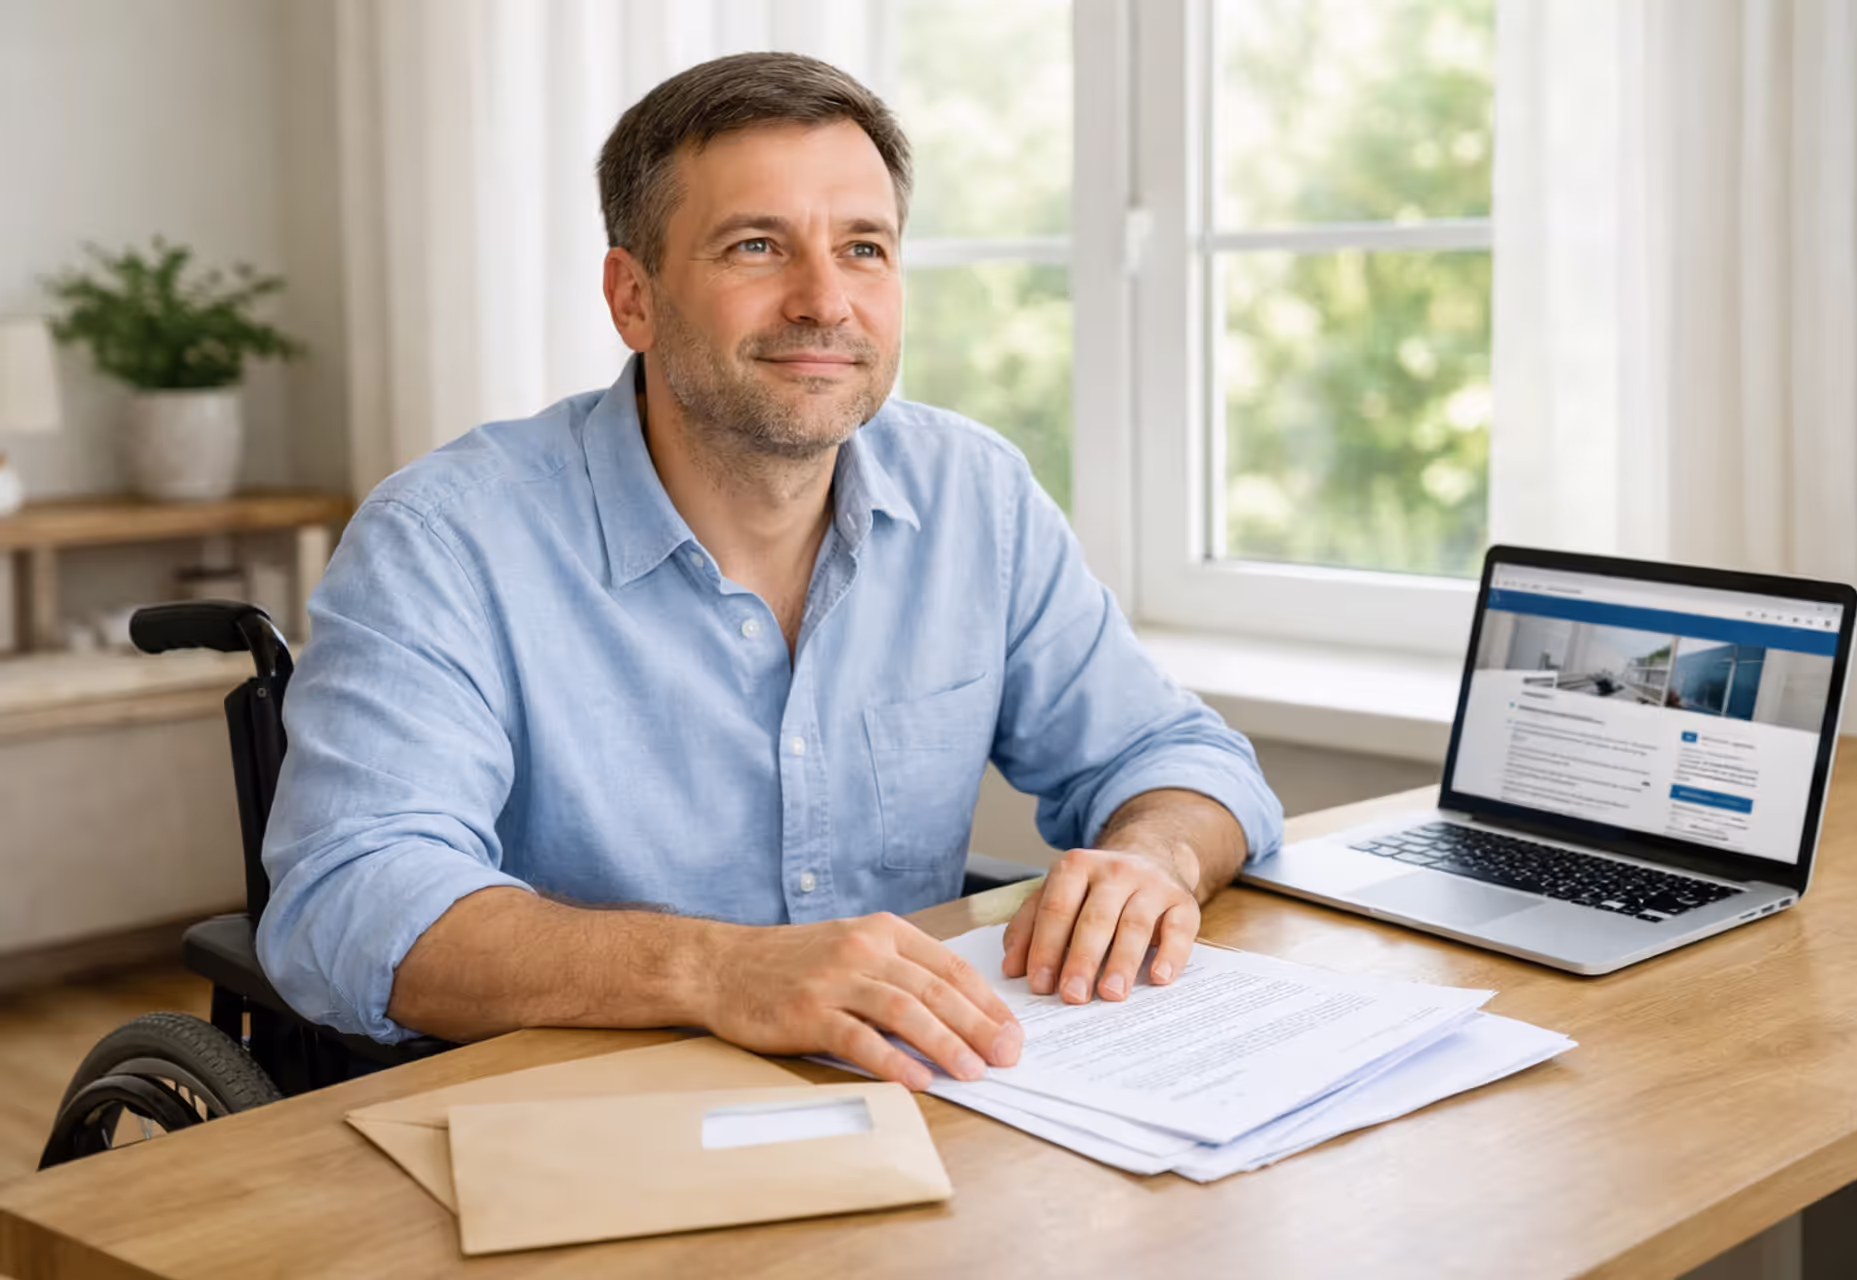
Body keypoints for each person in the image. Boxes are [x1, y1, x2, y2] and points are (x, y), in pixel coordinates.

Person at [258, 52, 1282, 1091]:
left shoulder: (977, 493)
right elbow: (353, 899)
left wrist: (1151, 861)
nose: (824, 300)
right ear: (634, 298)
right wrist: (718, 968)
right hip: (576, 1116)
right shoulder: (445, 537)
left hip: (917, 1096)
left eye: (864, 247)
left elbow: (1180, 755)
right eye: (757, 246)